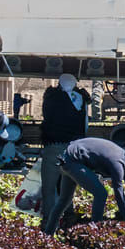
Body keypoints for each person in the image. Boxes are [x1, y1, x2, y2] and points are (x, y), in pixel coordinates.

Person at [44, 138, 125, 235]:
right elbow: (119, 195)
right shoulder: (118, 163)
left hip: (67, 158)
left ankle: (48, 234)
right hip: (72, 160)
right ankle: (95, 231)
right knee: (101, 194)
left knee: (64, 201)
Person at [40, 74, 91, 230]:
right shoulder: (81, 99)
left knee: (49, 189)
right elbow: (85, 125)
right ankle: (69, 220)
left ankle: (49, 225)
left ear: (59, 84)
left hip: (54, 147)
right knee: (67, 187)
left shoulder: (51, 97)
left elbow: (46, 115)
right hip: (74, 149)